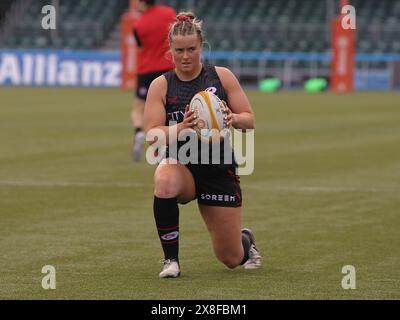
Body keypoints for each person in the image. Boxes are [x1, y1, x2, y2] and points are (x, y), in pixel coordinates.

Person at [144, 12, 262, 278]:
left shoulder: (221, 77)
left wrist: (232, 118)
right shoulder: (161, 85)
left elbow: (250, 120)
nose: (186, 56)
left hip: (217, 168)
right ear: (170, 51)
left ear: (202, 48)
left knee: (231, 258)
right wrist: (180, 127)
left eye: (191, 49)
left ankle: (246, 241)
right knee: (164, 181)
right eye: (179, 50)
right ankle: (170, 261)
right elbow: (152, 135)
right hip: (182, 165)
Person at [131, 0, 176, 161]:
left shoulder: (138, 25)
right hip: (167, 68)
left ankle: (139, 132)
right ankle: (163, 143)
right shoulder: (169, 13)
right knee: (168, 107)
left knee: (138, 108)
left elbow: (141, 46)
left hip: (146, 70)